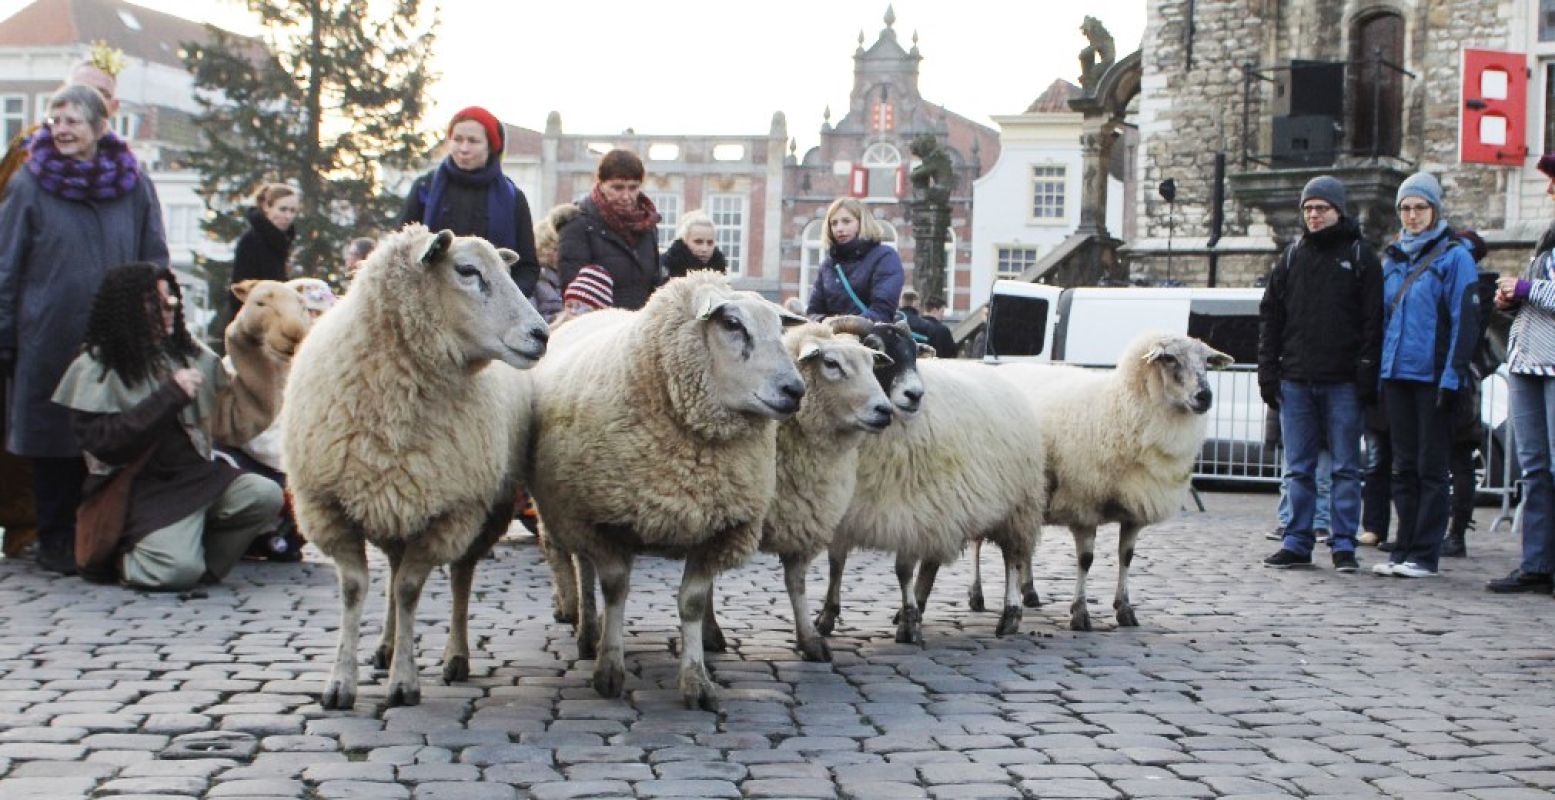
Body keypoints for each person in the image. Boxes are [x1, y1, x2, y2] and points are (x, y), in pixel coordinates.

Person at [0, 84, 168, 575]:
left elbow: (153, 255)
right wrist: (5, 330)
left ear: (99, 127)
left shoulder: (134, 183)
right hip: (48, 332)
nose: (63, 129)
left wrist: (157, 318)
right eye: (57, 120)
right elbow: (6, 263)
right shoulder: (30, 183)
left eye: (73, 120)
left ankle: (99, 533)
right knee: (51, 436)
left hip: (118, 335)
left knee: (111, 433)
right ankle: (54, 536)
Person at [52, 264, 283, 589]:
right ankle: (132, 556)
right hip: (137, 490)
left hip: (196, 477)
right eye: (156, 305)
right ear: (130, 310)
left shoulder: (191, 355)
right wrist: (169, 396)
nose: (168, 311)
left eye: (171, 302)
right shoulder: (98, 366)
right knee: (172, 572)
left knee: (264, 495)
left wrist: (254, 352)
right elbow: (105, 443)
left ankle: (202, 566)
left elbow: (233, 422)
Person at [1259, 176, 1382, 573]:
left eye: (1321, 208)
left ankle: (1343, 543)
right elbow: (1271, 315)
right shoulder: (1292, 257)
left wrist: (1366, 372)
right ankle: (1297, 540)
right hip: (1296, 379)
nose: (1313, 215)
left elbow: (1372, 321)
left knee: (1346, 467)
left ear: (1338, 211)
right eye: (1308, 208)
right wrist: (1268, 371)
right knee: (1299, 468)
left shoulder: (1362, 256)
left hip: (1343, 381)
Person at [1372, 171, 1480, 579]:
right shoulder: (1394, 258)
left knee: (1431, 468)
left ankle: (1424, 552)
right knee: (1402, 466)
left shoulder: (1455, 258)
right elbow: (1385, 319)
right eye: (1406, 208)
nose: (1412, 215)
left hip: (1433, 376)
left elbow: (1463, 321)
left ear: (1434, 211)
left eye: (1420, 208)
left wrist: (1452, 377)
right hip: (1397, 373)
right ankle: (1403, 546)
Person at [1487, 154, 1555, 594]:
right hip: (1529, 361)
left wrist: (1527, 288)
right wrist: (1512, 301)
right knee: (1534, 469)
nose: (1549, 190)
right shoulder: (1547, 240)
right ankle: (1537, 563)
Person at [398, 106, 539, 296]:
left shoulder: (514, 198)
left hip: (492, 308)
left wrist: (504, 298)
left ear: (490, 146)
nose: (464, 148)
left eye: (473, 141)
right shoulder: (425, 189)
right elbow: (400, 251)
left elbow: (527, 267)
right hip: (431, 301)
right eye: (458, 140)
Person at [557, 148, 661, 310]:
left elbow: (655, 283)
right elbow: (574, 291)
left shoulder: (648, 225)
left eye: (633, 188)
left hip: (641, 325)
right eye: (618, 188)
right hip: (599, 327)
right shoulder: (577, 225)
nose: (626, 196)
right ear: (601, 184)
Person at [805, 197, 904, 323]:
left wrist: (845, 325)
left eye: (846, 221)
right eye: (834, 223)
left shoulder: (885, 257)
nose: (839, 228)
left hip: (870, 337)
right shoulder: (828, 265)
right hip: (830, 337)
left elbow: (882, 311)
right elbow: (813, 312)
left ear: (862, 223)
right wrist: (826, 322)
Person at [229, 183, 299, 316]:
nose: (288, 216)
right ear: (267, 207)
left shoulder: (281, 241)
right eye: (283, 209)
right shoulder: (252, 240)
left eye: (292, 211)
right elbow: (240, 290)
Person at [660, 210, 727, 279]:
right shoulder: (663, 268)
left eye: (710, 243)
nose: (705, 249)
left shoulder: (720, 271)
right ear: (684, 241)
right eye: (698, 242)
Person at [899, 289, 956, 358]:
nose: (943, 315)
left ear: (902, 302)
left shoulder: (892, 321)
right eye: (942, 311)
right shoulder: (930, 327)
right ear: (916, 304)